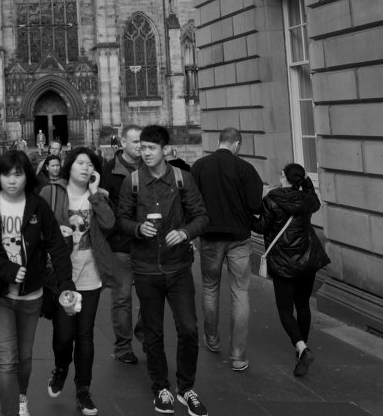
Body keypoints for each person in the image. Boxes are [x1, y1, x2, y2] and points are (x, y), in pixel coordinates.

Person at [0, 150, 78, 416]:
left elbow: (56, 246)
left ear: (27, 176)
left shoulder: (38, 206)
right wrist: (6, 270)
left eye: (18, 174)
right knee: (7, 362)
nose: (12, 180)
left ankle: (21, 397)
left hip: (31, 295)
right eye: (6, 174)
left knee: (25, 358)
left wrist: (66, 285)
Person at [116, 125, 209, 416]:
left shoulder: (183, 179)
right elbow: (121, 219)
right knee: (153, 333)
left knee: (189, 329)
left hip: (179, 266)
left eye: (150, 148)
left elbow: (202, 217)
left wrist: (184, 233)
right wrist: (136, 227)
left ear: (165, 150)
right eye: (141, 148)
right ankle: (161, 388)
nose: (145, 153)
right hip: (145, 268)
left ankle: (186, 388)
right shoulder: (132, 182)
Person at [42, 148, 116, 416]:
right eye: (80, 163)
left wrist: (96, 194)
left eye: (90, 164)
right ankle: (61, 366)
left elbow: (109, 224)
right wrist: (53, 231)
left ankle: (83, 391)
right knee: (64, 336)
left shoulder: (99, 197)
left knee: (85, 336)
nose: (85, 168)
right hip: (62, 277)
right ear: (69, 166)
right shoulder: (51, 193)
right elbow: (36, 225)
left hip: (91, 276)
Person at [190, 126, 263, 372]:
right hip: (239, 237)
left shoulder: (199, 166)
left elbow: (191, 202)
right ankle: (238, 356)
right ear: (237, 144)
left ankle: (211, 339)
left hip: (209, 236)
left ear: (219, 141)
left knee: (210, 287)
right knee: (240, 292)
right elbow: (255, 205)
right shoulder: (245, 169)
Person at [254, 164, 330, 378]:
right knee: (303, 305)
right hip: (307, 261)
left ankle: (302, 348)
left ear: (283, 177)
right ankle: (301, 353)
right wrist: (305, 180)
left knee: (285, 310)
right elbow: (314, 196)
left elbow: (261, 227)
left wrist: (243, 216)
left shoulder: (272, 199)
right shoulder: (308, 201)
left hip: (283, 263)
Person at [101, 124, 142, 365]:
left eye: (143, 142)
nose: (140, 146)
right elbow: (105, 208)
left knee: (151, 297)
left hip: (149, 243)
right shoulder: (109, 170)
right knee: (122, 297)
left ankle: (146, 335)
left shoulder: (153, 168)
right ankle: (123, 345)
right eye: (136, 142)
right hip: (121, 244)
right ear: (123, 143)